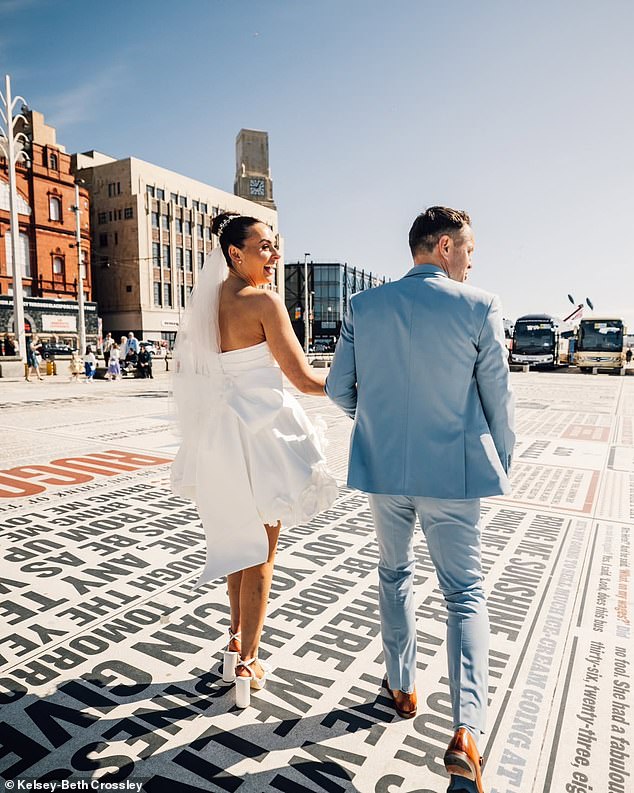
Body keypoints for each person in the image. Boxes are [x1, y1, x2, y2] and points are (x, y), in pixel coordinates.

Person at [326, 207, 515, 793]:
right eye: (467, 249)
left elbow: (337, 389)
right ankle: (466, 732)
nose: (470, 259)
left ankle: (402, 686)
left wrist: (377, 424)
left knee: (393, 574)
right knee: (464, 593)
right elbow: (497, 399)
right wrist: (499, 461)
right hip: (452, 475)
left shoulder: (365, 306)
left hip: (385, 471)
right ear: (441, 247)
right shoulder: (479, 306)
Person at [171, 212, 337, 707]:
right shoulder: (264, 300)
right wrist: (359, 385)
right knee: (262, 554)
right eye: (264, 247)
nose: (275, 254)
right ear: (235, 254)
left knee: (236, 543)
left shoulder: (208, 301)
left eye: (275, 244)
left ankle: (234, 643)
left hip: (221, 436)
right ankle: (248, 663)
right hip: (261, 434)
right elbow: (305, 379)